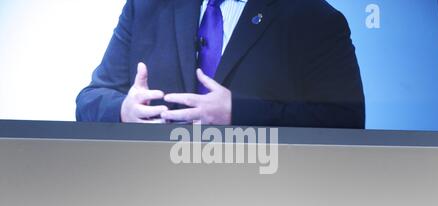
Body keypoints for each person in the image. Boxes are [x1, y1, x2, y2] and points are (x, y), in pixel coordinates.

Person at [76, 0, 365, 128]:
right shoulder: (146, 7)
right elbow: (89, 101)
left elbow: (345, 118)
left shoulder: (314, 18)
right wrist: (123, 110)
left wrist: (238, 112)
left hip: (261, 186)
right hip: (155, 187)